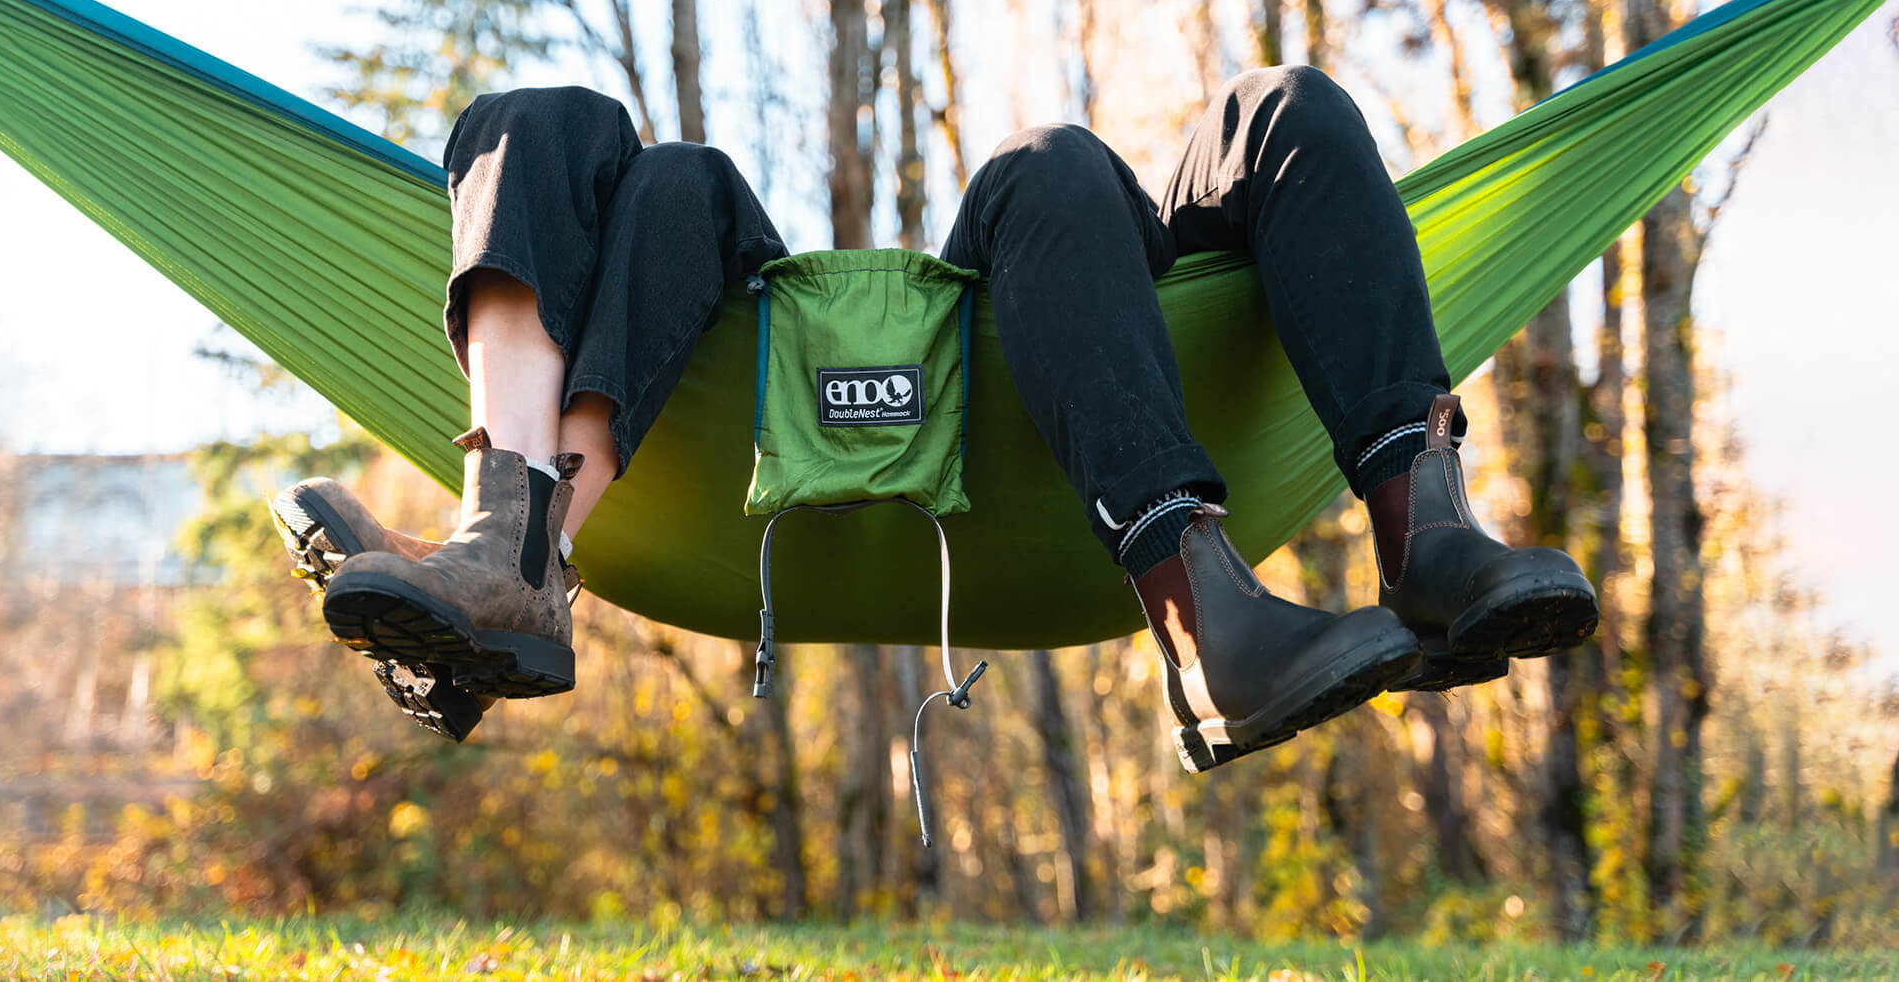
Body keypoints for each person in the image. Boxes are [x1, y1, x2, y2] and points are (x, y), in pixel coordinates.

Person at [272, 67, 1597, 771]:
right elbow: (638, 203)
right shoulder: (676, 238)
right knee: (575, 142)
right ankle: (510, 553)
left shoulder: (1057, 228)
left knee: (1236, 126)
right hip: (717, 400)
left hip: (1071, 349)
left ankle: (1420, 535)